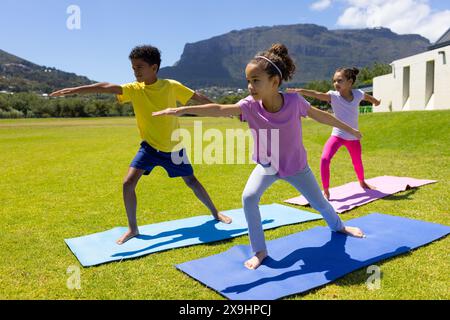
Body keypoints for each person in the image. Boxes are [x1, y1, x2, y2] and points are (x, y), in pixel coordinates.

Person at [153, 44, 365, 270]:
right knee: (249, 198)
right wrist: (181, 110)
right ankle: (260, 251)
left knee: (319, 203)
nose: (250, 86)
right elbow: (219, 109)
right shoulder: (248, 105)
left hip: (296, 167)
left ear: (274, 82)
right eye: (248, 81)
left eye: (256, 80)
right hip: (267, 166)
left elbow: (321, 116)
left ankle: (339, 226)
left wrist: (350, 129)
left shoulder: (295, 102)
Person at [50, 45, 232, 245]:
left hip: (174, 149)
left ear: (154, 68)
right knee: (128, 183)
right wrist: (75, 90)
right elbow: (106, 87)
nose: (135, 71)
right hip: (149, 148)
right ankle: (133, 229)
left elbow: (197, 98)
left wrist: (222, 110)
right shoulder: (134, 90)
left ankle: (215, 213)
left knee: (191, 181)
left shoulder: (171, 86)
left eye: (139, 67)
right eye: (133, 67)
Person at [288, 68, 381, 200]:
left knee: (357, 162)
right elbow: (316, 94)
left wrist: (376, 102)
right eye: (334, 81)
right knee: (325, 159)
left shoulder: (358, 94)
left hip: (353, 137)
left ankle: (362, 181)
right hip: (337, 135)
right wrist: (300, 91)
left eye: (339, 80)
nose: (335, 83)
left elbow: (368, 97)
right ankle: (326, 191)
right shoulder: (333, 95)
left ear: (350, 82)